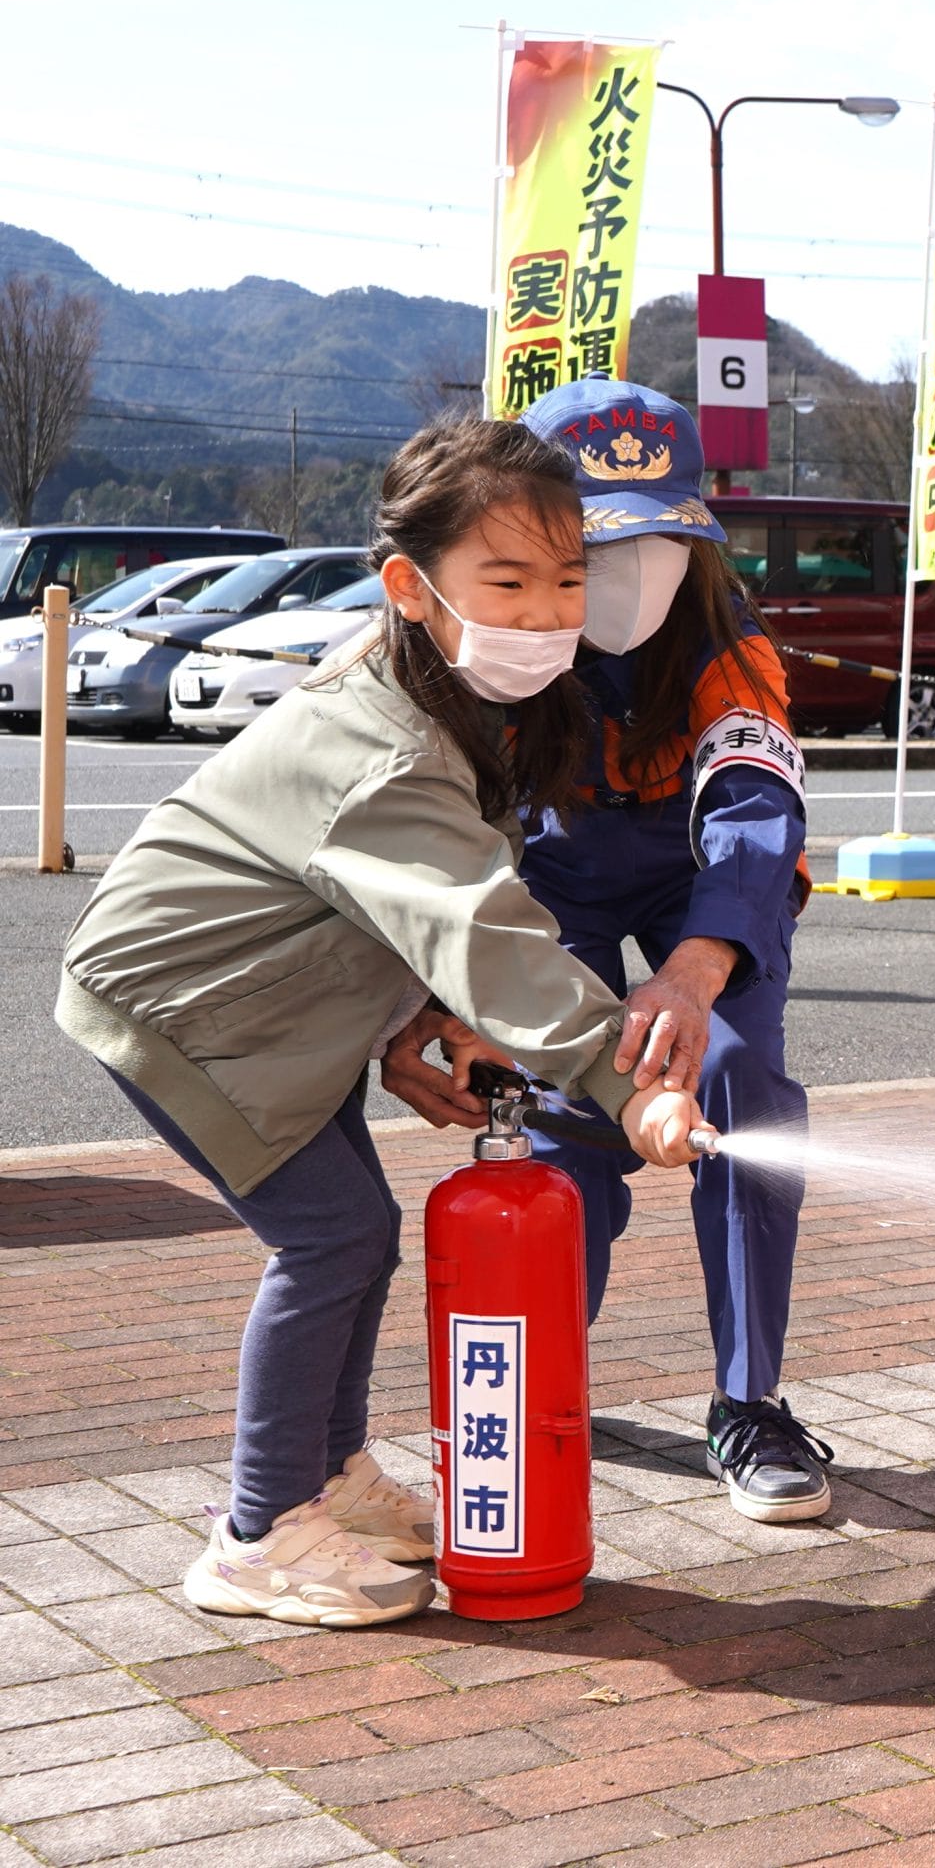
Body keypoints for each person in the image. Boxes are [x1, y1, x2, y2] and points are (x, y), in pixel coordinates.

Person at [57, 418, 712, 1628]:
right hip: (187, 1003)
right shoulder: (384, 742)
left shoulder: (456, 696)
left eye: (567, 579)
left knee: (358, 1233)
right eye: (505, 581)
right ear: (412, 586)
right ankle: (256, 1534)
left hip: (273, 990)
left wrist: (429, 1016)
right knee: (328, 1240)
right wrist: (629, 1088)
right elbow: (483, 924)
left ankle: (327, 1480)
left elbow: (417, 907)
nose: (544, 611)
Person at [383, 379, 827, 1523]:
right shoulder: (494, 639)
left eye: (666, 544)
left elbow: (751, 806)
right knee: (560, 1109)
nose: (633, 580)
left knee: (739, 1091)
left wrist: (697, 965)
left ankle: (751, 1402)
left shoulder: (731, 644)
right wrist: (441, 993)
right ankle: (542, 1375)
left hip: (703, 882)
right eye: (599, 549)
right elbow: (429, 832)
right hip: (557, 871)